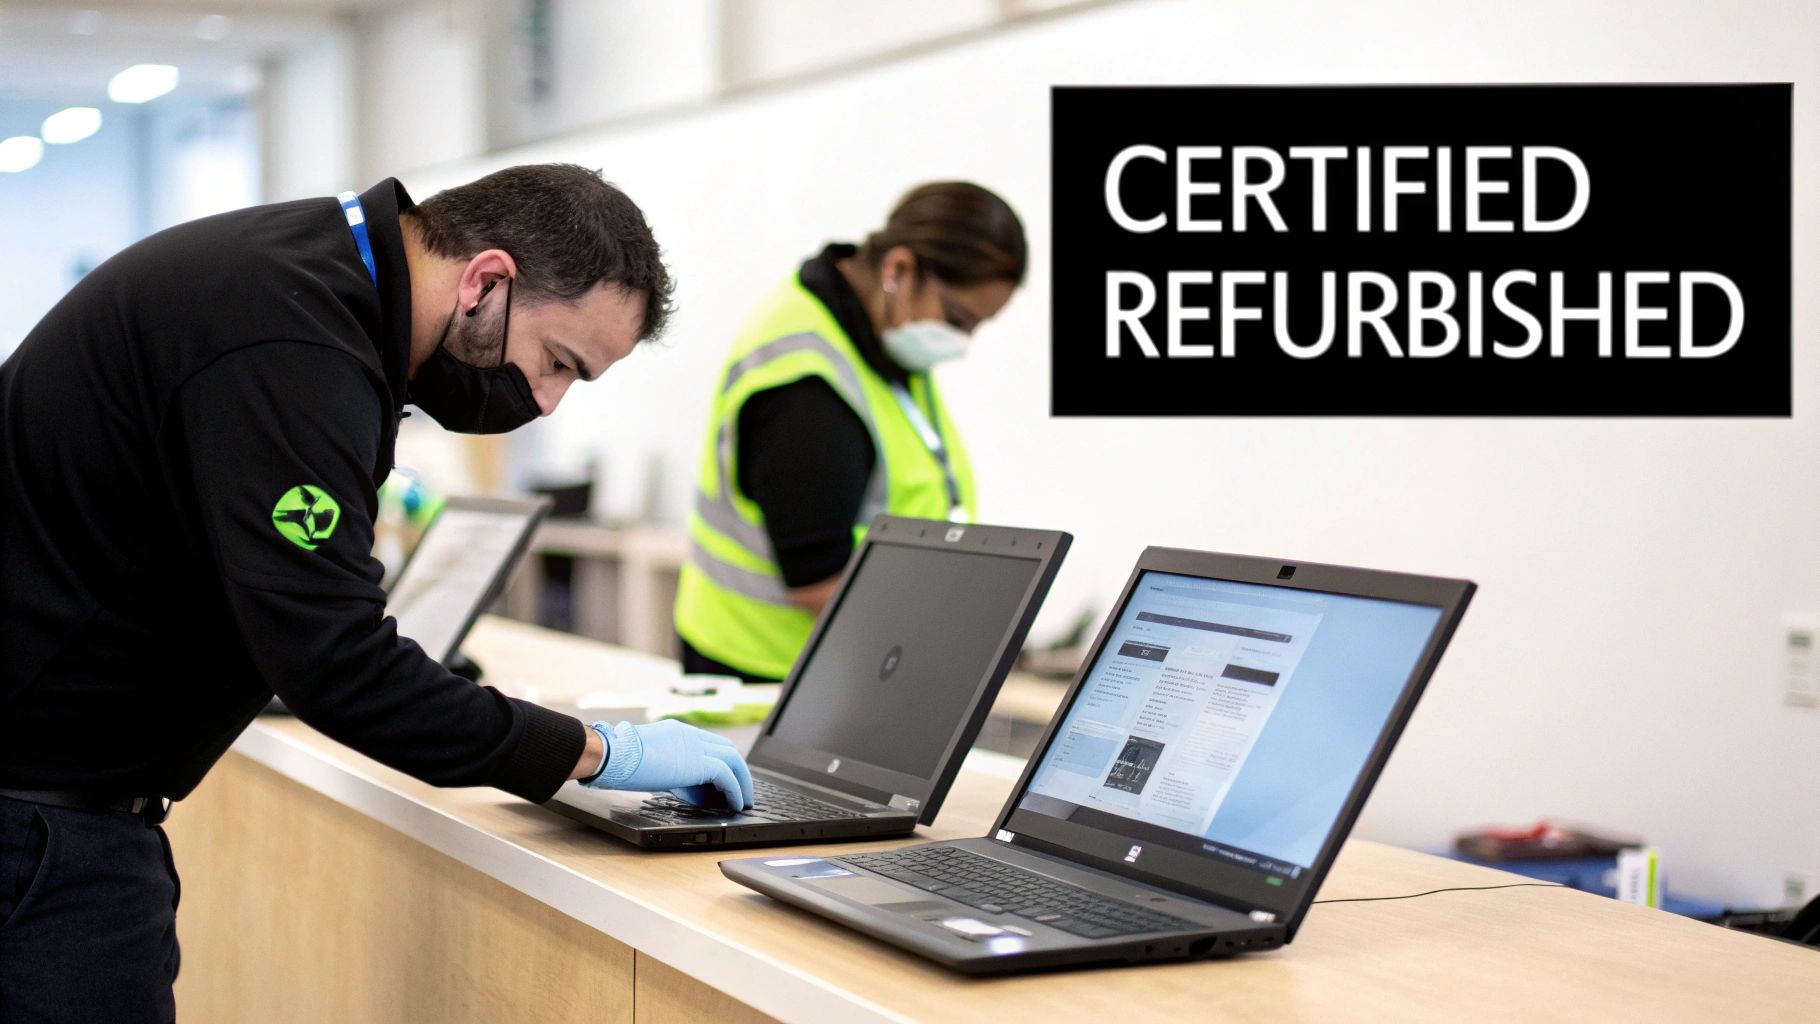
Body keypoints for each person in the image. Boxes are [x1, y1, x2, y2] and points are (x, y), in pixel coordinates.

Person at [0, 164, 753, 1023]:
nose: (546, 404)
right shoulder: (291, 338)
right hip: (37, 827)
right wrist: (597, 755)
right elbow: (336, 666)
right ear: (486, 281)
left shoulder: (308, 280)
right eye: (557, 363)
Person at [674, 182, 1028, 682]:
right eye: (958, 318)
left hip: (836, 660)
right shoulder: (808, 388)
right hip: (768, 674)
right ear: (899, 270)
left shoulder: (877, 336)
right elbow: (816, 578)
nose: (961, 341)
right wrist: (949, 632)